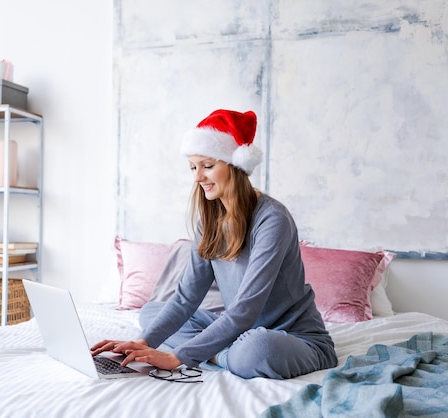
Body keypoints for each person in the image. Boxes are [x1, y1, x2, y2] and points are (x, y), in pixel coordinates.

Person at [91, 109, 338, 379]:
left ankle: (217, 353)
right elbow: (186, 298)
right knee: (151, 313)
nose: (198, 177)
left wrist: (177, 357)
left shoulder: (273, 219)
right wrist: (143, 343)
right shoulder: (209, 221)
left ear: (236, 166)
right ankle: (222, 350)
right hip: (238, 329)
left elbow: (246, 309)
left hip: (289, 335)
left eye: (207, 166)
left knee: (256, 350)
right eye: (193, 168)